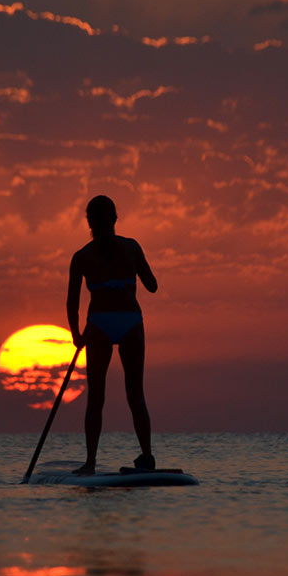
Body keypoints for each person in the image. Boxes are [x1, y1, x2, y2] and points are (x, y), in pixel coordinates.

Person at [66, 195, 158, 475]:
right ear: (114, 219)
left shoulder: (82, 257)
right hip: (128, 321)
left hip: (99, 325)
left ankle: (91, 462)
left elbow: (72, 303)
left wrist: (76, 335)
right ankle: (146, 456)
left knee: (97, 396)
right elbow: (152, 286)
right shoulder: (131, 247)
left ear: (89, 222)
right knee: (134, 394)